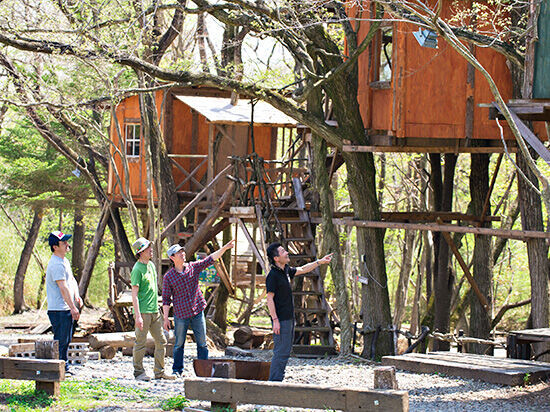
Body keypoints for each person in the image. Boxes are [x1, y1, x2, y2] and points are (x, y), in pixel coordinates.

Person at [162, 240, 235, 377]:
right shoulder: (169, 277)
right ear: (172, 257)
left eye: (182, 251)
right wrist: (166, 318)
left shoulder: (193, 267)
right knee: (178, 344)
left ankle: (204, 370)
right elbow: (166, 299)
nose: (183, 254)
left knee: (202, 343)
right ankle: (177, 370)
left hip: (197, 311)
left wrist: (225, 248)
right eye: (179, 253)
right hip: (181, 314)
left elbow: (210, 259)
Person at [265, 242, 332, 381]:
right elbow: (269, 299)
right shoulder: (273, 275)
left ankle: (278, 380)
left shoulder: (286, 270)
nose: (286, 252)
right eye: (283, 251)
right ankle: (273, 383)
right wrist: (275, 320)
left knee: (285, 352)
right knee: (280, 352)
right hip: (281, 320)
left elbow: (302, 269)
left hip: (289, 319)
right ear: (276, 258)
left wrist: (320, 262)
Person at [131, 237, 175, 381]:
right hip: (143, 312)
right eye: (148, 248)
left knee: (161, 340)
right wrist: (137, 316)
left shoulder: (151, 265)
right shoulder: (137, 269)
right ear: (141, 252)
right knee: (140, 342)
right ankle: (138, 372)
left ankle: (159, 372)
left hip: (155, 311)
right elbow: (135, 295)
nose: (151, 250)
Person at [46, 230, 82, 373]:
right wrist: (73, 307)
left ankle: (64, 366)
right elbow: (63, 287)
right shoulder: (55, 264)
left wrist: (77, 295)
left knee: (66, 339)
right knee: (61, 341)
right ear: (55, 246)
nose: (67, 244)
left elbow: (71, 280)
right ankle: (59, 368)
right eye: (64, 242)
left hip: (66, 307)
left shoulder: (64, 261)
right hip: (59, 309)